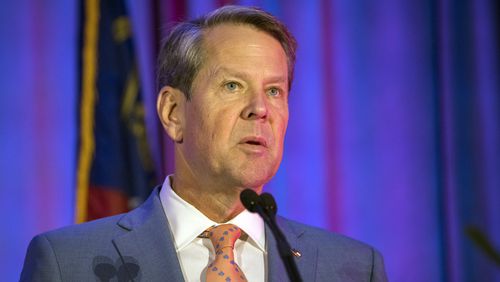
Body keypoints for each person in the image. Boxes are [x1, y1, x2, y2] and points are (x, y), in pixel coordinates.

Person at [21, 5, 387, 281]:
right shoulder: (67, 263)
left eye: (274, 91)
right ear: (173, 112)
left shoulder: (353, 268)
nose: (260, 109)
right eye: (232, 86)